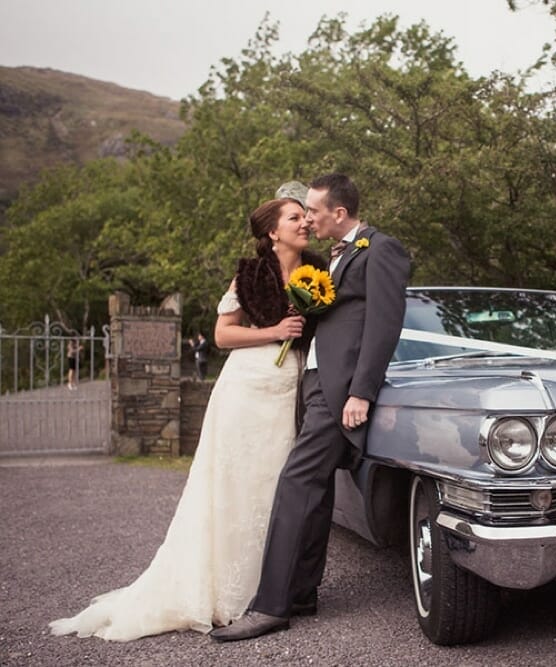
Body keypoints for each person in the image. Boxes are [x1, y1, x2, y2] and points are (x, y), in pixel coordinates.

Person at [49, 192, 327, 641]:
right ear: (273, 231)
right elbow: (221, 334)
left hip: (288, 390)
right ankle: (228, 592)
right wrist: (275, 331)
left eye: (304, 217)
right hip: (245, 389)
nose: (304, 224)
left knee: (273, 487)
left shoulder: (318, 272)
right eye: (295, 218)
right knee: (235, 486)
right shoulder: (249, 274)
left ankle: (274, 588)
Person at [210, 173, 410, 642]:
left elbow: (384, 325)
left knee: (296, 483)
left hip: (339, 392)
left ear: (339, 213)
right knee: (316, 491)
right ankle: (302, 593)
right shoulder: (334, 258)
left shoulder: (380, 249)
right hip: (312, 385)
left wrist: (361, 391)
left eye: (314, 211)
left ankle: (271, 606)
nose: (310, 218)